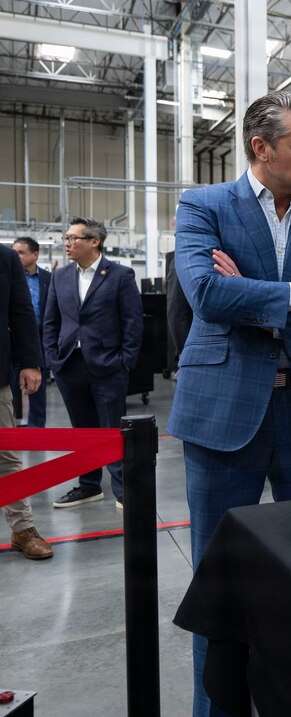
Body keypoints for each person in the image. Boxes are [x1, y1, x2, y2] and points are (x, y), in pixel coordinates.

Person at [167, 90, 291, 717]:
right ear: (261, 148)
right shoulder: (204, 205)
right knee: (219, 580)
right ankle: (218, 708)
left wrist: (260, 300)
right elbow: (204, 294)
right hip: (223, 412)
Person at [43, 217, 143, 509]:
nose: (68, 243)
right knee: (82, 430)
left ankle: (124, 489)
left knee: (112, 430)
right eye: (66, 238)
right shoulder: (60, 277)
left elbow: (133, 323)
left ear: (94, 242)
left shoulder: (120, 275)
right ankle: (88, 485)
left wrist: (125, 361)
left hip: (108, 366)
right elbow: (51, 321)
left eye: (74, 238)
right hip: (68, 365)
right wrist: (52, 358)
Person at [1, 243, 52, 559]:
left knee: (6, 456)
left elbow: (21, 311)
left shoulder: (6, 258)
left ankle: (23, 528)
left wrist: (31, 362)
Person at [10, 236, 50, 426]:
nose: (15, 256)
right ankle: (11, 432)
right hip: (10, 343)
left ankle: (37, 432)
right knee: (9, 392)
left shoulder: (49, 279)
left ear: (35, 255)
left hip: (39, 344)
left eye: (21, 252)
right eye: (13, 252)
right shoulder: (7, 277)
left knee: (37, 393)